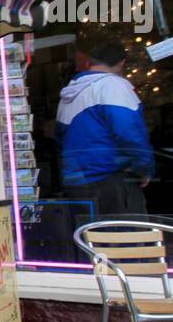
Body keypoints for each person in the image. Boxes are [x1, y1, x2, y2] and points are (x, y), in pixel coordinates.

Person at [55, 42, 154, 218]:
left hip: (76, 182)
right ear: (122, 63)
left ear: (89, 63)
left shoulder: (69, 95)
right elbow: (129, 133)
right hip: (111, 179)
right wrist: (143, 168)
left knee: (90, 240)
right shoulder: (114, 86)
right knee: (128, 241)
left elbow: (60, 137)